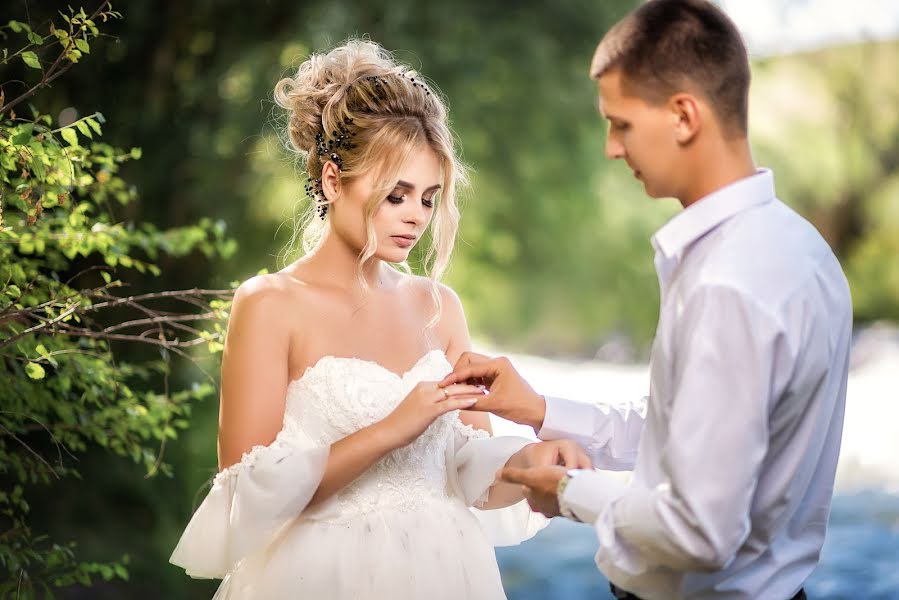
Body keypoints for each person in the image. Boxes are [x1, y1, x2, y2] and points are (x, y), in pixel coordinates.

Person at [439, 1, 852, 599]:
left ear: (684, 115)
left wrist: (562, 493)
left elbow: (698, 530)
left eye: (621, 123)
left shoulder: (727, 284)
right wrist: (536, 407)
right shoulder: (801, 248)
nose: (611, 147)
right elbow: (683, 431)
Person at [168, 40, 586, 600]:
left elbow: (466, 471)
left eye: (429, 198)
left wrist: (527, 462)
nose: (416, 216)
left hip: (445, 572)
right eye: (397, 195)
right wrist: (393, 429)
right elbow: (248, 493)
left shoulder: (439, 307)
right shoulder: (269, 304)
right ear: (333, 181)